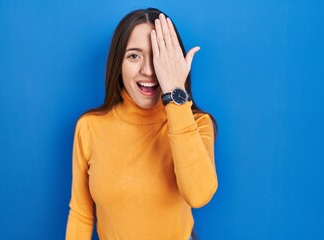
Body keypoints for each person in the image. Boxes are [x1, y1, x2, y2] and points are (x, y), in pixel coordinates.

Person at [65, 7, 218, 240]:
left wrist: (175, 96)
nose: (148, 70)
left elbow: (198, 195)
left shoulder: (197, 123)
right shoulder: (90, 127)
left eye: (158, 57)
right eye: (134, 56)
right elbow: (81, 214)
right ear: (118, 64)